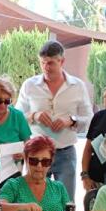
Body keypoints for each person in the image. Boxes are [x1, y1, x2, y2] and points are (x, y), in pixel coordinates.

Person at [16, 40, 93, 200]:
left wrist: (71, 120)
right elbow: (16, 117)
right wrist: (33, 115)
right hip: (35, 153)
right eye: (42, 63)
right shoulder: (29, 85)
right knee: (32, 200)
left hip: (65, 152)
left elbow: (90, 119)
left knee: (66, 203)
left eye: (51, 63)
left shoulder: (77, 86)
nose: (46, 67)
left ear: (62, 61)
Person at [0, 136, 70, 211]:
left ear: (51, 162)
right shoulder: (13, 185)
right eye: (33, 161)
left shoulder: (59, 188)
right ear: (25, 159)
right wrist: (22, 207)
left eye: (45, 162)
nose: (39, 166)